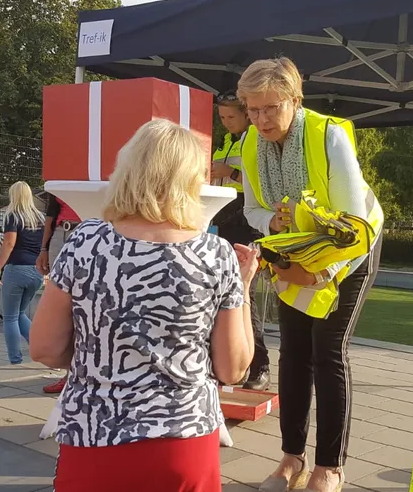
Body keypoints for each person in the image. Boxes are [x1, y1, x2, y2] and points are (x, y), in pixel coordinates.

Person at [29, 119, 259, 492]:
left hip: (95, 435)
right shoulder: (215, 254)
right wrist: (242, 288)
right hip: (184, 441)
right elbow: (233, 369)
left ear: (128, 169)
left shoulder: (86, 242)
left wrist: (97, 355)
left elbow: (44, 348)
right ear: (191, 180)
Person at [237, 58, 384, 492]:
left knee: (328, 352)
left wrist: (320, 274)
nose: (261, 119)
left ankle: (330, 467)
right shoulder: (250, 142)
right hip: (295, 254)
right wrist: (272, 224)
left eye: (271, 108)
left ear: (295, 100)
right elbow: (251, 209)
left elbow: (354, 224)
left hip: (351, 251)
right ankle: (291, 458)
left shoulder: (328, 135)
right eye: (253, 109)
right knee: (294, 353)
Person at [211, 89, 271, 391]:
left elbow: (264, 182)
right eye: (222, 117)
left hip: (248, 224)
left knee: (246, 295)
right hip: (222, 222)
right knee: (222, 293)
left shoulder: (257, 139)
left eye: (230, 116)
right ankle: (231, 361)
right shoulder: (225, 142)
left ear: (246, 114)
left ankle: (260, 366)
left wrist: (230, 173)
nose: (226, 122)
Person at [0, 181, 46, 365]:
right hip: (36, 271)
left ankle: (15, 359)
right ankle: (41, 351)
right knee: (20, 313)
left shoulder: (13, 216)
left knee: (10, 318)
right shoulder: (40, 217)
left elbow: (9, 244)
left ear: (13, 195)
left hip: (16, 270)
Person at [36, 193, 81, 393]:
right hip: (61, 235)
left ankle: (78, 372)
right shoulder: (62, 180)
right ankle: (68, 374)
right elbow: (51, 213)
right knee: (62, 307)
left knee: (83, 305)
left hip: (91, 231)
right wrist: (43, 249)